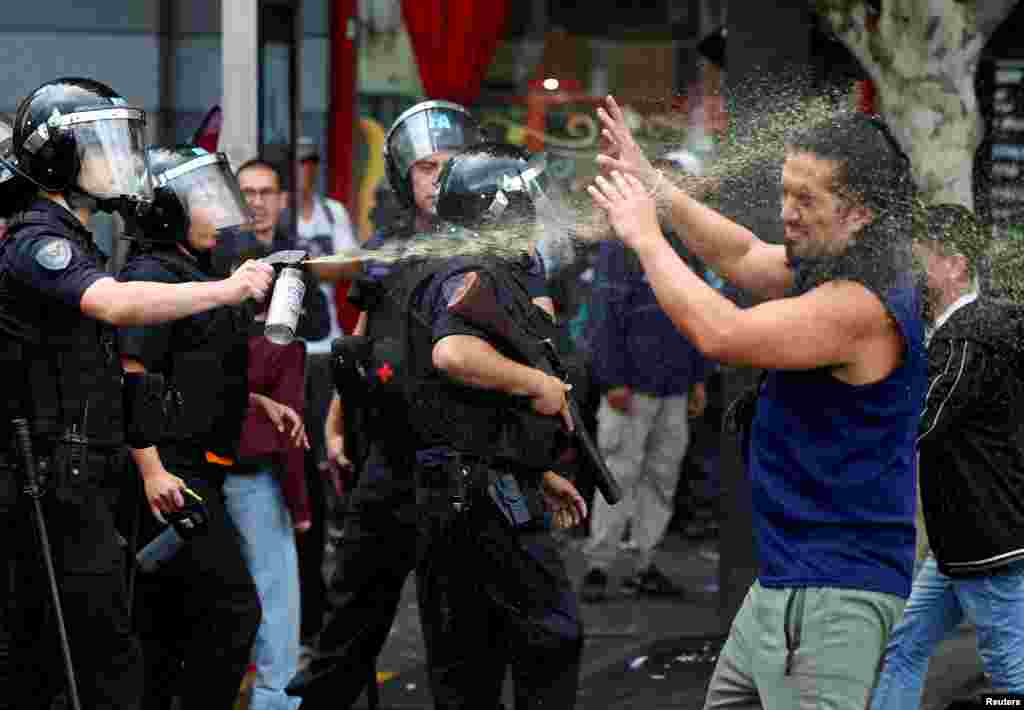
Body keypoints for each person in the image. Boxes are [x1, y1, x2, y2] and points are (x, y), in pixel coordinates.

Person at [589, 97, 927, 710]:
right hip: (788, 581)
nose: (786, 213)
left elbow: (720, 333)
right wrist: (653, 184)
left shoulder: (860, 303)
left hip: (832, 597)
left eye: (807, 201)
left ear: (860, 214)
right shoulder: (835, 262)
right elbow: (741, 254)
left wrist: (644, 237)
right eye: (786, 192)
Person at [0, 77, 273, 710]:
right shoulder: (40, 242)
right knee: (83, 662)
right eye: (98, 146)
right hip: (51, 483)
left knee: (99, 654)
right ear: (58, 159)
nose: (116, 160)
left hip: (78, 478)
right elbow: (116, 305)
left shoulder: (71, 238)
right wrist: (227, 289)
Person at [288, 99, 484, 707]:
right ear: (405, 174)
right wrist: (338, 419)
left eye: (451, 164)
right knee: (349, 616)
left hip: (460, 462)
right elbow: (365, 329)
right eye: (426, 167)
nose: (439, 177)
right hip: (388, 458)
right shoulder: (391, 242)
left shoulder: (492, 240)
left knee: (455, 631)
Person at [395, 141, 588, 709]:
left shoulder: (464, 267)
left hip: (467, 483)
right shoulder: (473, 273)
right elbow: (453, 355)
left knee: (469, 660)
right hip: (476, 493)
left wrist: (536, 469)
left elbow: (463, 403)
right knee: (549, 637)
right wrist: (540, 386)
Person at [118, 144, 283, 710]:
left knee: (168, 629)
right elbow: (133, 371)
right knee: (231, 612)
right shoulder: (151, 273)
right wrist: (152, 470)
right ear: (167, 211)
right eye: (204, 202)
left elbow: (193, 363)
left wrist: (255, 400)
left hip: (193, 471)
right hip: (172, 477)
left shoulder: (192, 272)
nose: (220, 212)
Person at [869, 204, 1024, 709]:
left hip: (990, 545)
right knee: (906, 647)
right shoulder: (977, 327)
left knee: (1012, 683)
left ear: (955, 264)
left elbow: (919, 421)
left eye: (922, 261)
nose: (913, 272)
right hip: (958, 544)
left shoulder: (966, 339)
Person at [581, 235, 709, 602]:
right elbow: (603, 315)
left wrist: (698, 377)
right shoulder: (619, 247)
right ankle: (599, 566)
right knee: (618, 476)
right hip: (631, 387)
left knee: (661, 479)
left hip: (674, 386)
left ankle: (644, 564)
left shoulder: (682, 246)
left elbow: (697, 309)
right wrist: (612, 380)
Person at [228, 285, 311, 710]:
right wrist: (300, 509)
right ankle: (274, 701)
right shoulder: (284, 348)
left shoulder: (222, 333)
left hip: (202, 476)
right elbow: (289, 433)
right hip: (257, 483)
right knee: (277, 603)